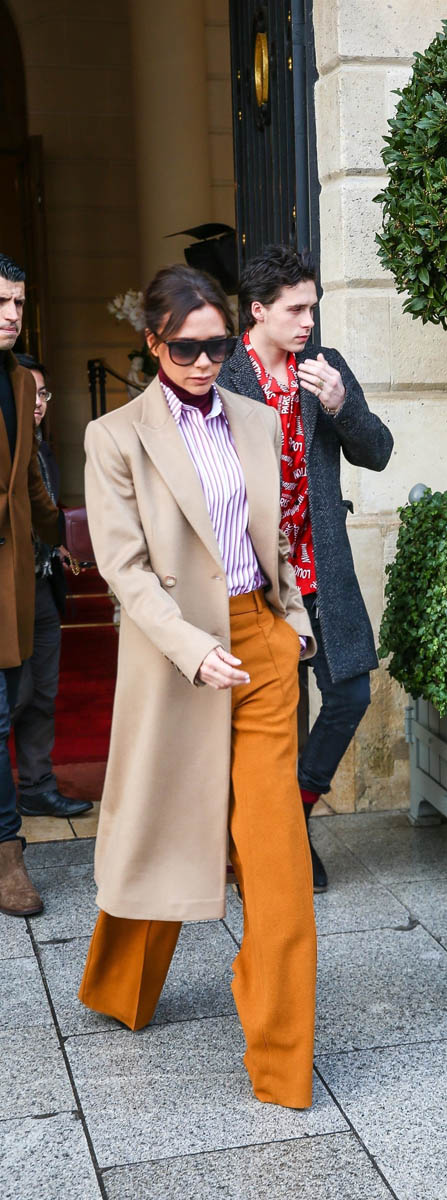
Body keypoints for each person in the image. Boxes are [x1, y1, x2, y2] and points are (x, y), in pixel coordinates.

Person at [77, 264, 318, 1108]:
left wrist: (291, 622)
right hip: (175, 652)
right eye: (186, 348)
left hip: (259, 647)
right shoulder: (115, 436)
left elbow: (275, 531)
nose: (205, 362)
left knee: (277, 858)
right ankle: (118, 986)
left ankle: (284, 1065)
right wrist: (191, 647)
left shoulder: (257, 419)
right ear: (154, 344)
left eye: (216, 346)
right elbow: (125, 569)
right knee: (167, 825)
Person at [217, 245, 393, 891]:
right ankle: (262, 841)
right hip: (254, 578)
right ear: (258, 311)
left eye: (312, 307)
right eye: (295, 309)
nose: (308, 321)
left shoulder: (326, 368)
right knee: (268, 715)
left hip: (321, 569)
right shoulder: (224, 376)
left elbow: (377, 452)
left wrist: (343, 404)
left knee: (349, 693)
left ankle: (295, 810)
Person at [0, 253, 63, 917]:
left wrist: (67, 533)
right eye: (0, 302)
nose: (12, 314)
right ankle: (7, 850)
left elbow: (31, 483)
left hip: (13, 574)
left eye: (18, 302)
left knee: (10, 704)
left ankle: (5, 849)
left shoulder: (20, 381)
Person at [12, 354, 91, 821]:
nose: (38, 403)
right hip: (8, 593)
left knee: (43, 693)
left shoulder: (43, 451)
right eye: (29, 393)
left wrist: (57, 546)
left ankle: (37, 786)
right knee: (15, 695)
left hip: (42, 587)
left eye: (43, 393)